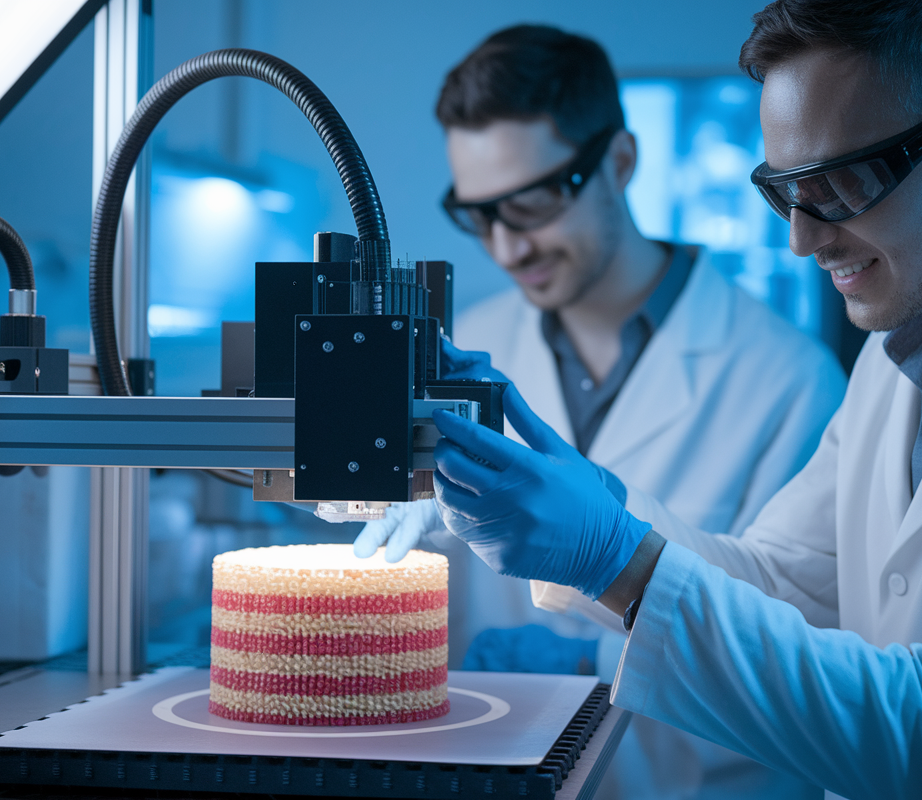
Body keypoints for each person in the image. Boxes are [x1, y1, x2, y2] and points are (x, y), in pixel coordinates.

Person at [427, 1, 922, 797]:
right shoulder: (901, 350)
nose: (801, 238)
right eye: (784, 188)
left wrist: (612, 557)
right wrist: (595, 515)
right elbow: (783, 582)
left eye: (847, 182)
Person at [356, 24, 846, 800]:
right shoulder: (468, 347)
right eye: (478, 215)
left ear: (619, 162)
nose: (508, 248)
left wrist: (588, 673)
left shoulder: (786, 381)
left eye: (532, 203)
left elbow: (794, 669)